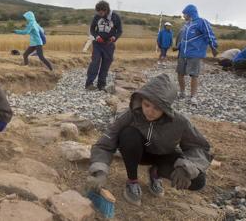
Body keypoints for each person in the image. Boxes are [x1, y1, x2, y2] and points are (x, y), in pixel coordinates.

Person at [87, 74, 211, 206]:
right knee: (128, 134)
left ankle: (156, 173)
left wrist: (186, 168)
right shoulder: (132, 114)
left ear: (166, 108)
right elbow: (105, 143)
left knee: (198, 180)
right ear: (141, 100)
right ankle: (132, 181)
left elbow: (199, 147)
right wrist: (100, 171)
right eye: (146, 104)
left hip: (164, 155)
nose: (149, 111)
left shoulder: (180, 122)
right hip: (140, 153)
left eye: (157, 108)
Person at [176, 4, 218, 103]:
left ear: (190, 13)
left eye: (184, 14)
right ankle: (182, 92)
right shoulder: (186, 25)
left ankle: (193, 97)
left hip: (195, 53)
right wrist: (178, 47)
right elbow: (185, 39)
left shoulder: (201, 22)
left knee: (194, 75)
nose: (183, 16)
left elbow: (209, 34)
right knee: (180, 73)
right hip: (183, 54)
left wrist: (213, 47)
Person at [85, 0, 123, 91]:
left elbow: (120, 31)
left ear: (106, 10)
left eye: (102, 12)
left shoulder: (115, 17)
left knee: (105, 65)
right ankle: (89, 84)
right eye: (98, 12)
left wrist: (114, 38)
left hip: (109, 45)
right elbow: (92, 29)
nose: (100, 13)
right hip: (97, 44)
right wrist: (96, 36)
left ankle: (101, 84)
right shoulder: (97, 17)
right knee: (95, 62)